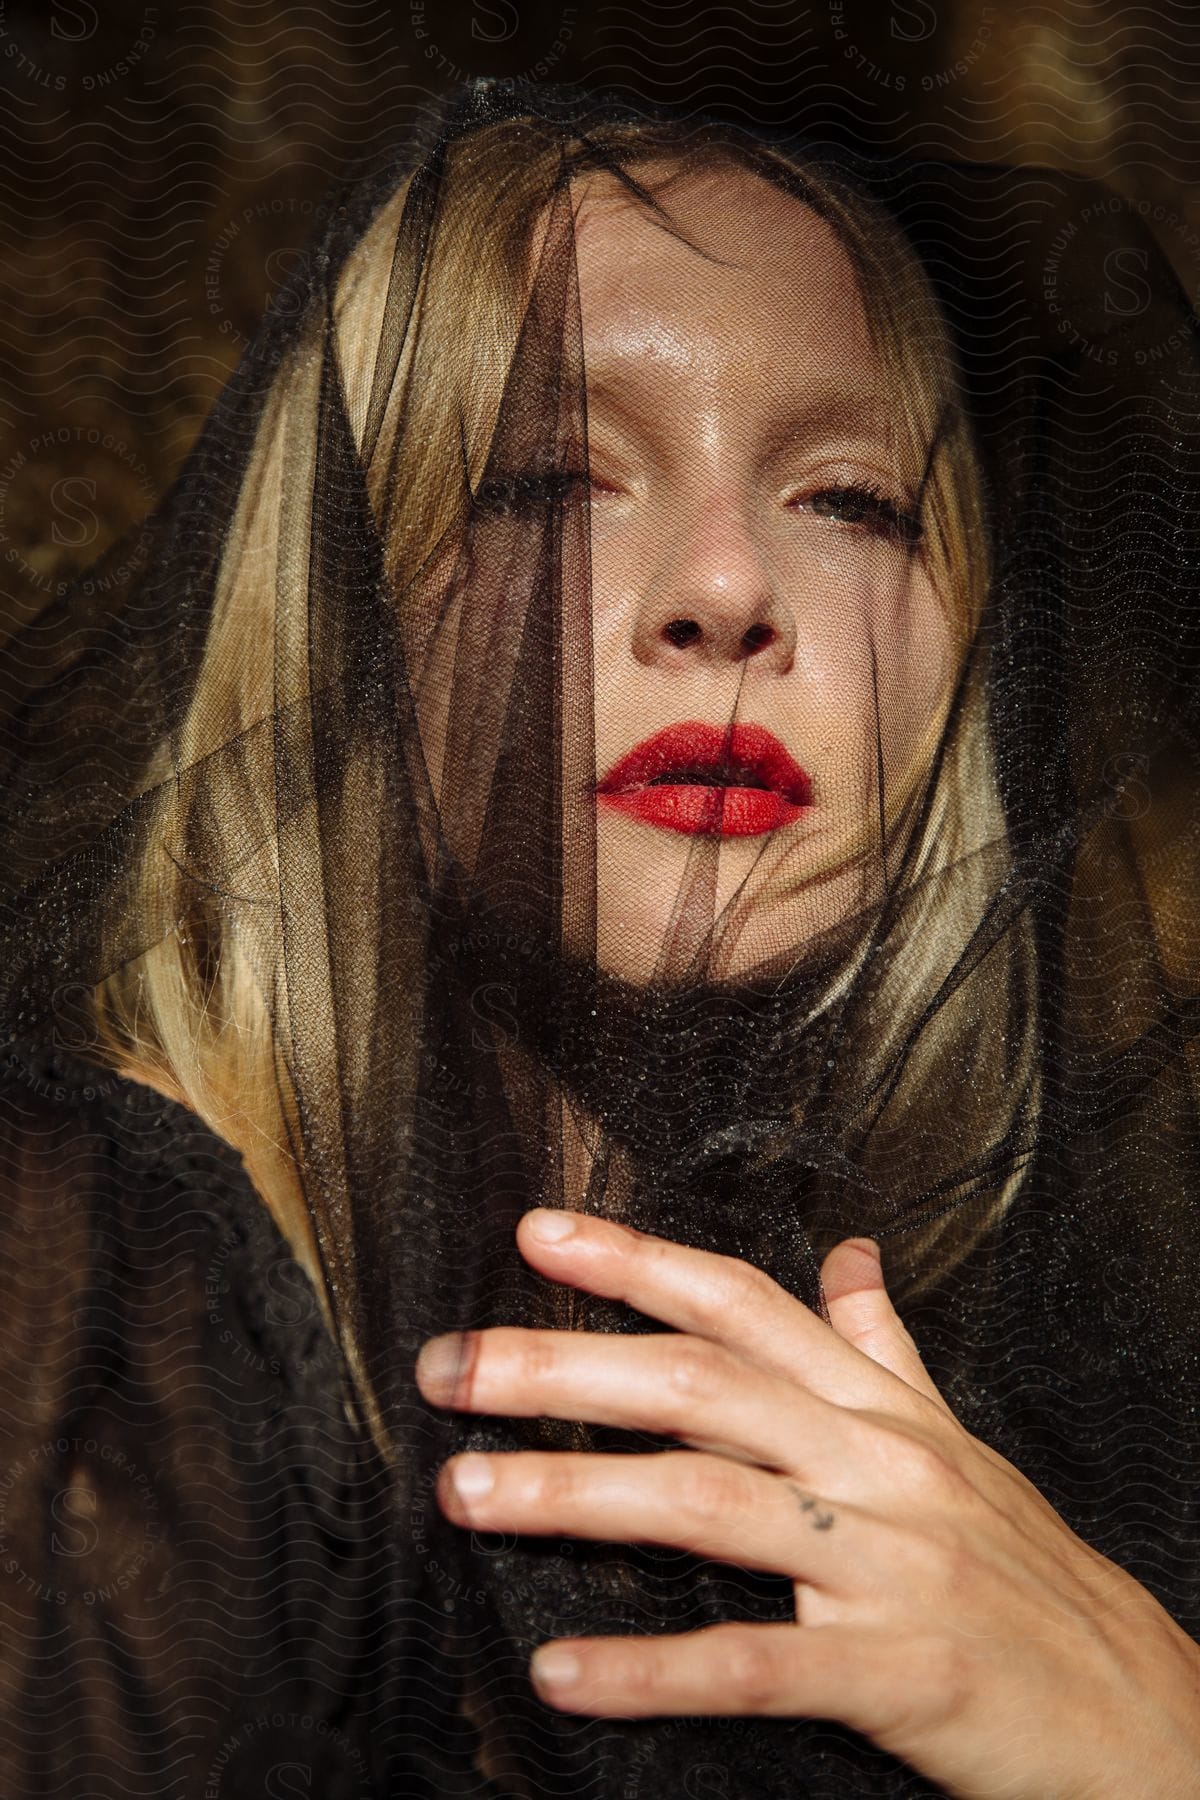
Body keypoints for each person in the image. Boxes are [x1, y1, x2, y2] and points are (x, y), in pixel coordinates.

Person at [2, 80, 1199, 1797]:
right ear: (345, 597)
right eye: (553, 478)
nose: (726, 588)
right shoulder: (88, 1287)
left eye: (852, 500)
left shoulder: (1033, 1427)